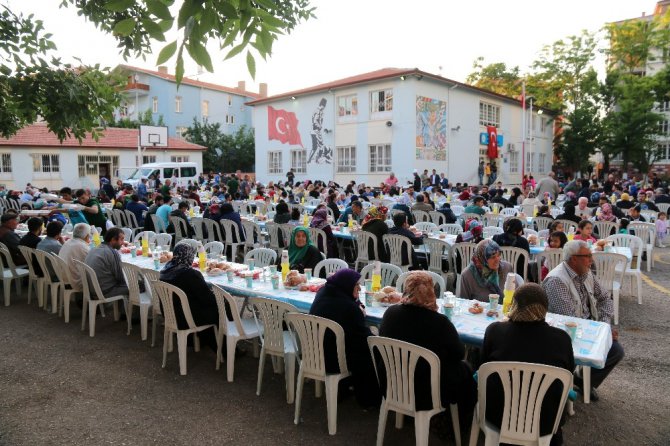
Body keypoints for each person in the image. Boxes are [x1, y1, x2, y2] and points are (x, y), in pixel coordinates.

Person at [380, 271, 476, 433]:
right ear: (431, 292)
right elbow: (459, 353)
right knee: (465, 369)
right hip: (427, 392)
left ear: (406, 290)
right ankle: (457, 425)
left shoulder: (390, 314)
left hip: (394, 384)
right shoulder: (439, 322)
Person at [481, 283, 574, 444]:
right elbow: (569, 373)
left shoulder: (494, 331)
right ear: (544, 309)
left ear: (514, 305)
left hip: (498, 416)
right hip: (544, 421)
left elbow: (482, 366)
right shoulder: (562, 339)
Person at [542, 240, 624, 401]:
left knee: (616, 351)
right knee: (610, 348)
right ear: (573, 259)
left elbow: (606, 299)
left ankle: (583, 382)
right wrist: (600, 334)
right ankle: (571, 380)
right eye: (587, 256)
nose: (591, 259)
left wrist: (604, 327)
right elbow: (570, 322)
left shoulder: (585, 273)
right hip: (565, 334)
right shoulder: (557, 281)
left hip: (588, 328)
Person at [309, 269, 381, 408]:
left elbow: (352, 300)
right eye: (356, 285)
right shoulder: (348, 308)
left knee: (352, 340)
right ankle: (369, 400)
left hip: (314, 353)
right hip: (332, 360)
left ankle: (344, 388)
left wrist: (358, 304)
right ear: (347, 286)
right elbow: (365, 339)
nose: (359, 288)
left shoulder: (324, 292)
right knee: (370, 351)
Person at [159, 242, 223, 352]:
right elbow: (208, 300)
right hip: (186, 318)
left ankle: (201, 340)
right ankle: (225, 349)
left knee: (206, 305)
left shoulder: (165, 271)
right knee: (222, 308)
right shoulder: (190, 274)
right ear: (189, 257)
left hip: (170, 314)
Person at [84, 227, 128, 298]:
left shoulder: (95, 249)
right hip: (105, 291)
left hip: (92, 290)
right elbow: (120, 278)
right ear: (113, 239)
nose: (123, 242)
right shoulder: (112, 252)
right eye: (122, 239)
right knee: (139, 286)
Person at [58, 223, 91, 292]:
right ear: (87, 236)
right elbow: (92, 264)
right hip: (74, 282)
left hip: (62, 277)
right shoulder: (83, 247)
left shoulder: (68, 242)